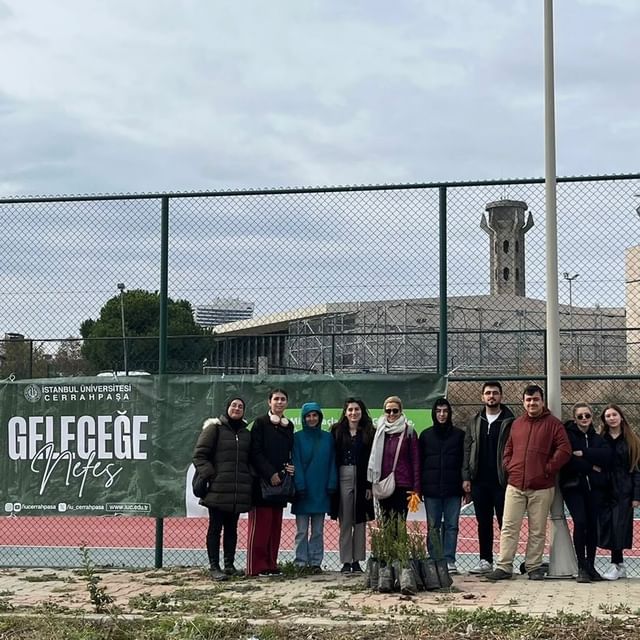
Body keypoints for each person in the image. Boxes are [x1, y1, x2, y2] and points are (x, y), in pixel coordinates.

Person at [485, 384, 571, 581]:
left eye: (535, 399)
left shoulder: (553, 424)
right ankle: (504, 566)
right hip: (515, 485)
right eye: (528, 400)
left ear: (542, 401)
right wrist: (509, 466)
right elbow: (508, 449)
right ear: (523, 402)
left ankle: (533, 566)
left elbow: (564, 450)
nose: (532, 403)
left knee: (538, 529)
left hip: (541, 487)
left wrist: (547, 469)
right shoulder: (517, 424)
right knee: (508, 526)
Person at [192, 397, 253, 581]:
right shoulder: (214, 428)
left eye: (240, 406)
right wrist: (211, 475)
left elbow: (249, 459)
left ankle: (229, 565)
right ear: (227, 408)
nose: (237, 408)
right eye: (233, 405)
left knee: (232, 529)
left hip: (237, 491)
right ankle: (214, 566)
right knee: (215, 529)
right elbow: (199, 455)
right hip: (216, 490)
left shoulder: (245, 433)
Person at [462, 381, 515, 575]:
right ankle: (485, 560)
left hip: (502, 481)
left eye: (495, 393)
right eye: (488, 393)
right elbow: (467, 449)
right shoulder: (475, 420)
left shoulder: (511, 421)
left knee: (505, 523)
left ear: (501, 396)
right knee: (483, 522)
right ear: (482, 397)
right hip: (479, 481)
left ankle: (505, 561)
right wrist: (466, 476)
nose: (491, 396)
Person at [560, 402, 611, 583]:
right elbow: (569, 460)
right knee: (580, 523)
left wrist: (585, 453)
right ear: (575, 418)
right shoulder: (568, 436)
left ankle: (591, 564)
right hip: (573, 487)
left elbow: (608, 457)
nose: (584, 419)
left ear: (591, 417)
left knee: (592, 525)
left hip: (595, 489)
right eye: (580, 416)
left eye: (587, 416)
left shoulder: (598, 438)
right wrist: (591, 465)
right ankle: (581, 566)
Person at [247, 388, 295, 577]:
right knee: (260, 527)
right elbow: (255, 453)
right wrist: (270, 474)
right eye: (276, 399)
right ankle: (255, 567)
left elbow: (290, 452)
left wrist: (290, 468)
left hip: (281, 485)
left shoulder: (288, 425)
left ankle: (271, 565)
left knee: (275, 527)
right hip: (262, 485)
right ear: (269, 402)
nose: (280, 402)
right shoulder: (260, 423)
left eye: (283, 399)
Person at [419, 397, 465, 574]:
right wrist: (421, 487)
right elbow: (421, 462)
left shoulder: (459, 435)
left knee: (452, 525)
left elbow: (463, 462)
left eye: (445, 411)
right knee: (433, 526)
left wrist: (464, 484)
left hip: (453, 489)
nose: (442, 414)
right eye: (438, 411)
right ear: (434, 413)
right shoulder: (425, 435)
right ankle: (434, 559)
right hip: (431, 490)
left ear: (449, 413)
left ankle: (449, 560)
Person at [329, 398, 375, 574]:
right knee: (346, 520)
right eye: (350, 410)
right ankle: (346, 561)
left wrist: (370, 485)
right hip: (343, 476)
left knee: (360, 521)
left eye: (356, 409)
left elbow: (373, 460)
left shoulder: (370, 432)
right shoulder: (336, 431)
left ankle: (357, 561)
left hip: (363, 478)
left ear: (362, 412)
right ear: (345, 412)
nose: (353, 413)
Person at [291, 402, 337, 572]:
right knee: (301, 531)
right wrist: (300, 484)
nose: (312, 418)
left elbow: (333, 461)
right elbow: (295, 461)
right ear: (304, 418)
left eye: (315, 415)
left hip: (322, 490)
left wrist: (332, 482)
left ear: (319, 417)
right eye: (308, 416)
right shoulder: (297, 438)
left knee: (317, 530)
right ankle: (300, 562)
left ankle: (315, 562)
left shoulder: (328, 438)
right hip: (303, 491)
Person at [597, 403, 640, 581]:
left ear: (621, 417)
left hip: (624, 490)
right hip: (604, 489)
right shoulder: (600, 439)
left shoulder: (632, 441)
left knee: (619, 527)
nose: (611, 418)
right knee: (605, 526)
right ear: (604, 420)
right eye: (608, 416)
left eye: (614, 414)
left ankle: (617, 564)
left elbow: (637, 469)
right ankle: (618, 565)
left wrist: (636, 495)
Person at [367, 395, 421, 522]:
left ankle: (400, 543)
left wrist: (416, 488)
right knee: (386, 525)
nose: (391, 413)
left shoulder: (409, 432)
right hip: (383, 484)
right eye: (388, 410)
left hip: (403, 485)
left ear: (401, 411)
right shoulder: (379, 432)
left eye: (395, 410)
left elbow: (416, 462)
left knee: (400, 524)